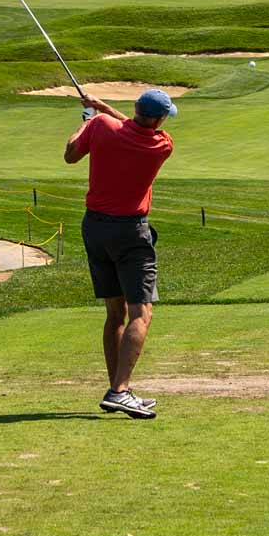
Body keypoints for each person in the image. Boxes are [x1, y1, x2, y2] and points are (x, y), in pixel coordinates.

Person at [63, 88, 178, 420]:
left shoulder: (100, 127)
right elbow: (133, 128)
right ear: (157, 120)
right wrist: (101, 110)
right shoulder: (161, 145)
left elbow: (71, 154)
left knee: (115, 313)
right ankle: (120, 391)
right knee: (142, 312)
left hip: (95, 229)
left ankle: (118, 390)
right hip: (131, 233)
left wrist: (90, 117)